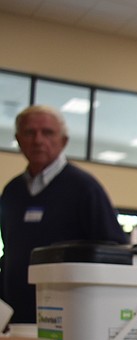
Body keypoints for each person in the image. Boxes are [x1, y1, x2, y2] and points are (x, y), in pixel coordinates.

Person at [0, 105, 128, 324]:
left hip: (68, 316)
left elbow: (114, 250)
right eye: (30, 132)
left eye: (47, 132)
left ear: (64, 141)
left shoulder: (84, 188)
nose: (38, 140)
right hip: (16, 316)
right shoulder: (12, 191)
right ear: (18, 139)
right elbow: (11, 250)